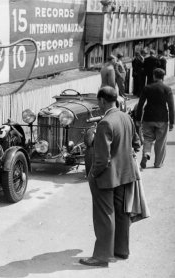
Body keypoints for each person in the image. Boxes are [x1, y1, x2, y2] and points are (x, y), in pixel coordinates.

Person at [80, 86, 140, 267]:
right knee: (122, 214)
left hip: (107, 178)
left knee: (104, 216)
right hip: (125, 175)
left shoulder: (105, 123)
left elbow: (102, 159)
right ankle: (121, 251)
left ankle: (101, 257)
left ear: (102, 101)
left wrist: (92, 175)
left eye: (98, 101)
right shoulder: (126, 117)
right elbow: (136, 143)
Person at [135, 68, 174, 169]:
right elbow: (171, 106)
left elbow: (140, 104)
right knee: (160, 142)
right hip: (162, 119)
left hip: (148, 118)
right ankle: (157, 163)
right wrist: (172, 122)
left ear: (153, 76)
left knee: (147, 138)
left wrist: (138, 118)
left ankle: (146, 154)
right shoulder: (167, 89)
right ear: (163, 76)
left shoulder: (147, 88)